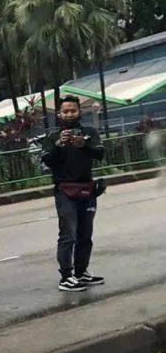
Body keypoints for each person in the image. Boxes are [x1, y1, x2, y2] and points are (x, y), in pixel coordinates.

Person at [41, 95, 105, 292]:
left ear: (79, 112)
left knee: (85, 234)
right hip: (64, 190)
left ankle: (81, 271)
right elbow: (47, 161)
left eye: (73, 110)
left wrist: (82, 145)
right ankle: (66, 277)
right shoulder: (52, 137)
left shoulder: (90, 133)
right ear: (59, 114)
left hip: (87, 188)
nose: (69, 114)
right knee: (68, 234)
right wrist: (59, 145)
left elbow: (100, 154)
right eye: (65, 111)